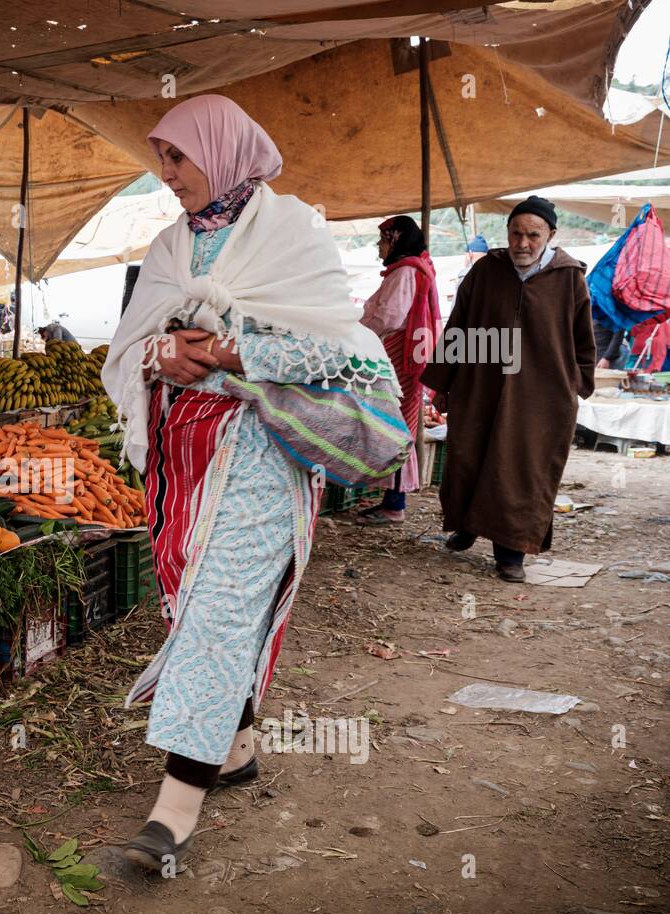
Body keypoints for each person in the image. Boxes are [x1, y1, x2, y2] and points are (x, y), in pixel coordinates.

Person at [102, 95, 399, 871]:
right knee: (192, 601)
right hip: (184, 460)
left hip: (263, 450)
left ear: (223, 151)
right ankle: (234, 752)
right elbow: (128, 347)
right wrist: (158, 358)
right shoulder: (170, 246)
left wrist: (235, 354)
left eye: (179, 157)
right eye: (161, 159)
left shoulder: (291, 233)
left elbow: (345, 353)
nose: (167, 175)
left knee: (222, 610)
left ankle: (173, 813)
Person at [421, 195, 596, 583]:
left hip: (541, 394)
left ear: (551, 235)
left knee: (522, 467)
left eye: (533, 235)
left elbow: (583, 338)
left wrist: (577, 383)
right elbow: (460, 325)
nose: (522, 243)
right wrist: (444, 382)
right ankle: (466, 526)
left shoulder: (569, 278)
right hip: (480, 382)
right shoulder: (486, 270)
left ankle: (511, 551)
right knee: (470, 455)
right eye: (516, 233)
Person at [357, 216, 442, 524]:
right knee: (399, 424)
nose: (379, 247)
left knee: (395, 427)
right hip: (411, 356)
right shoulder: (417, 267)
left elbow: (389, 316)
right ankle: (392, 498)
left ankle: (395, 503)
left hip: (398, 356)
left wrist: (359, 332)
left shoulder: (404, 271)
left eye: (382, 240)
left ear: (395, 240)